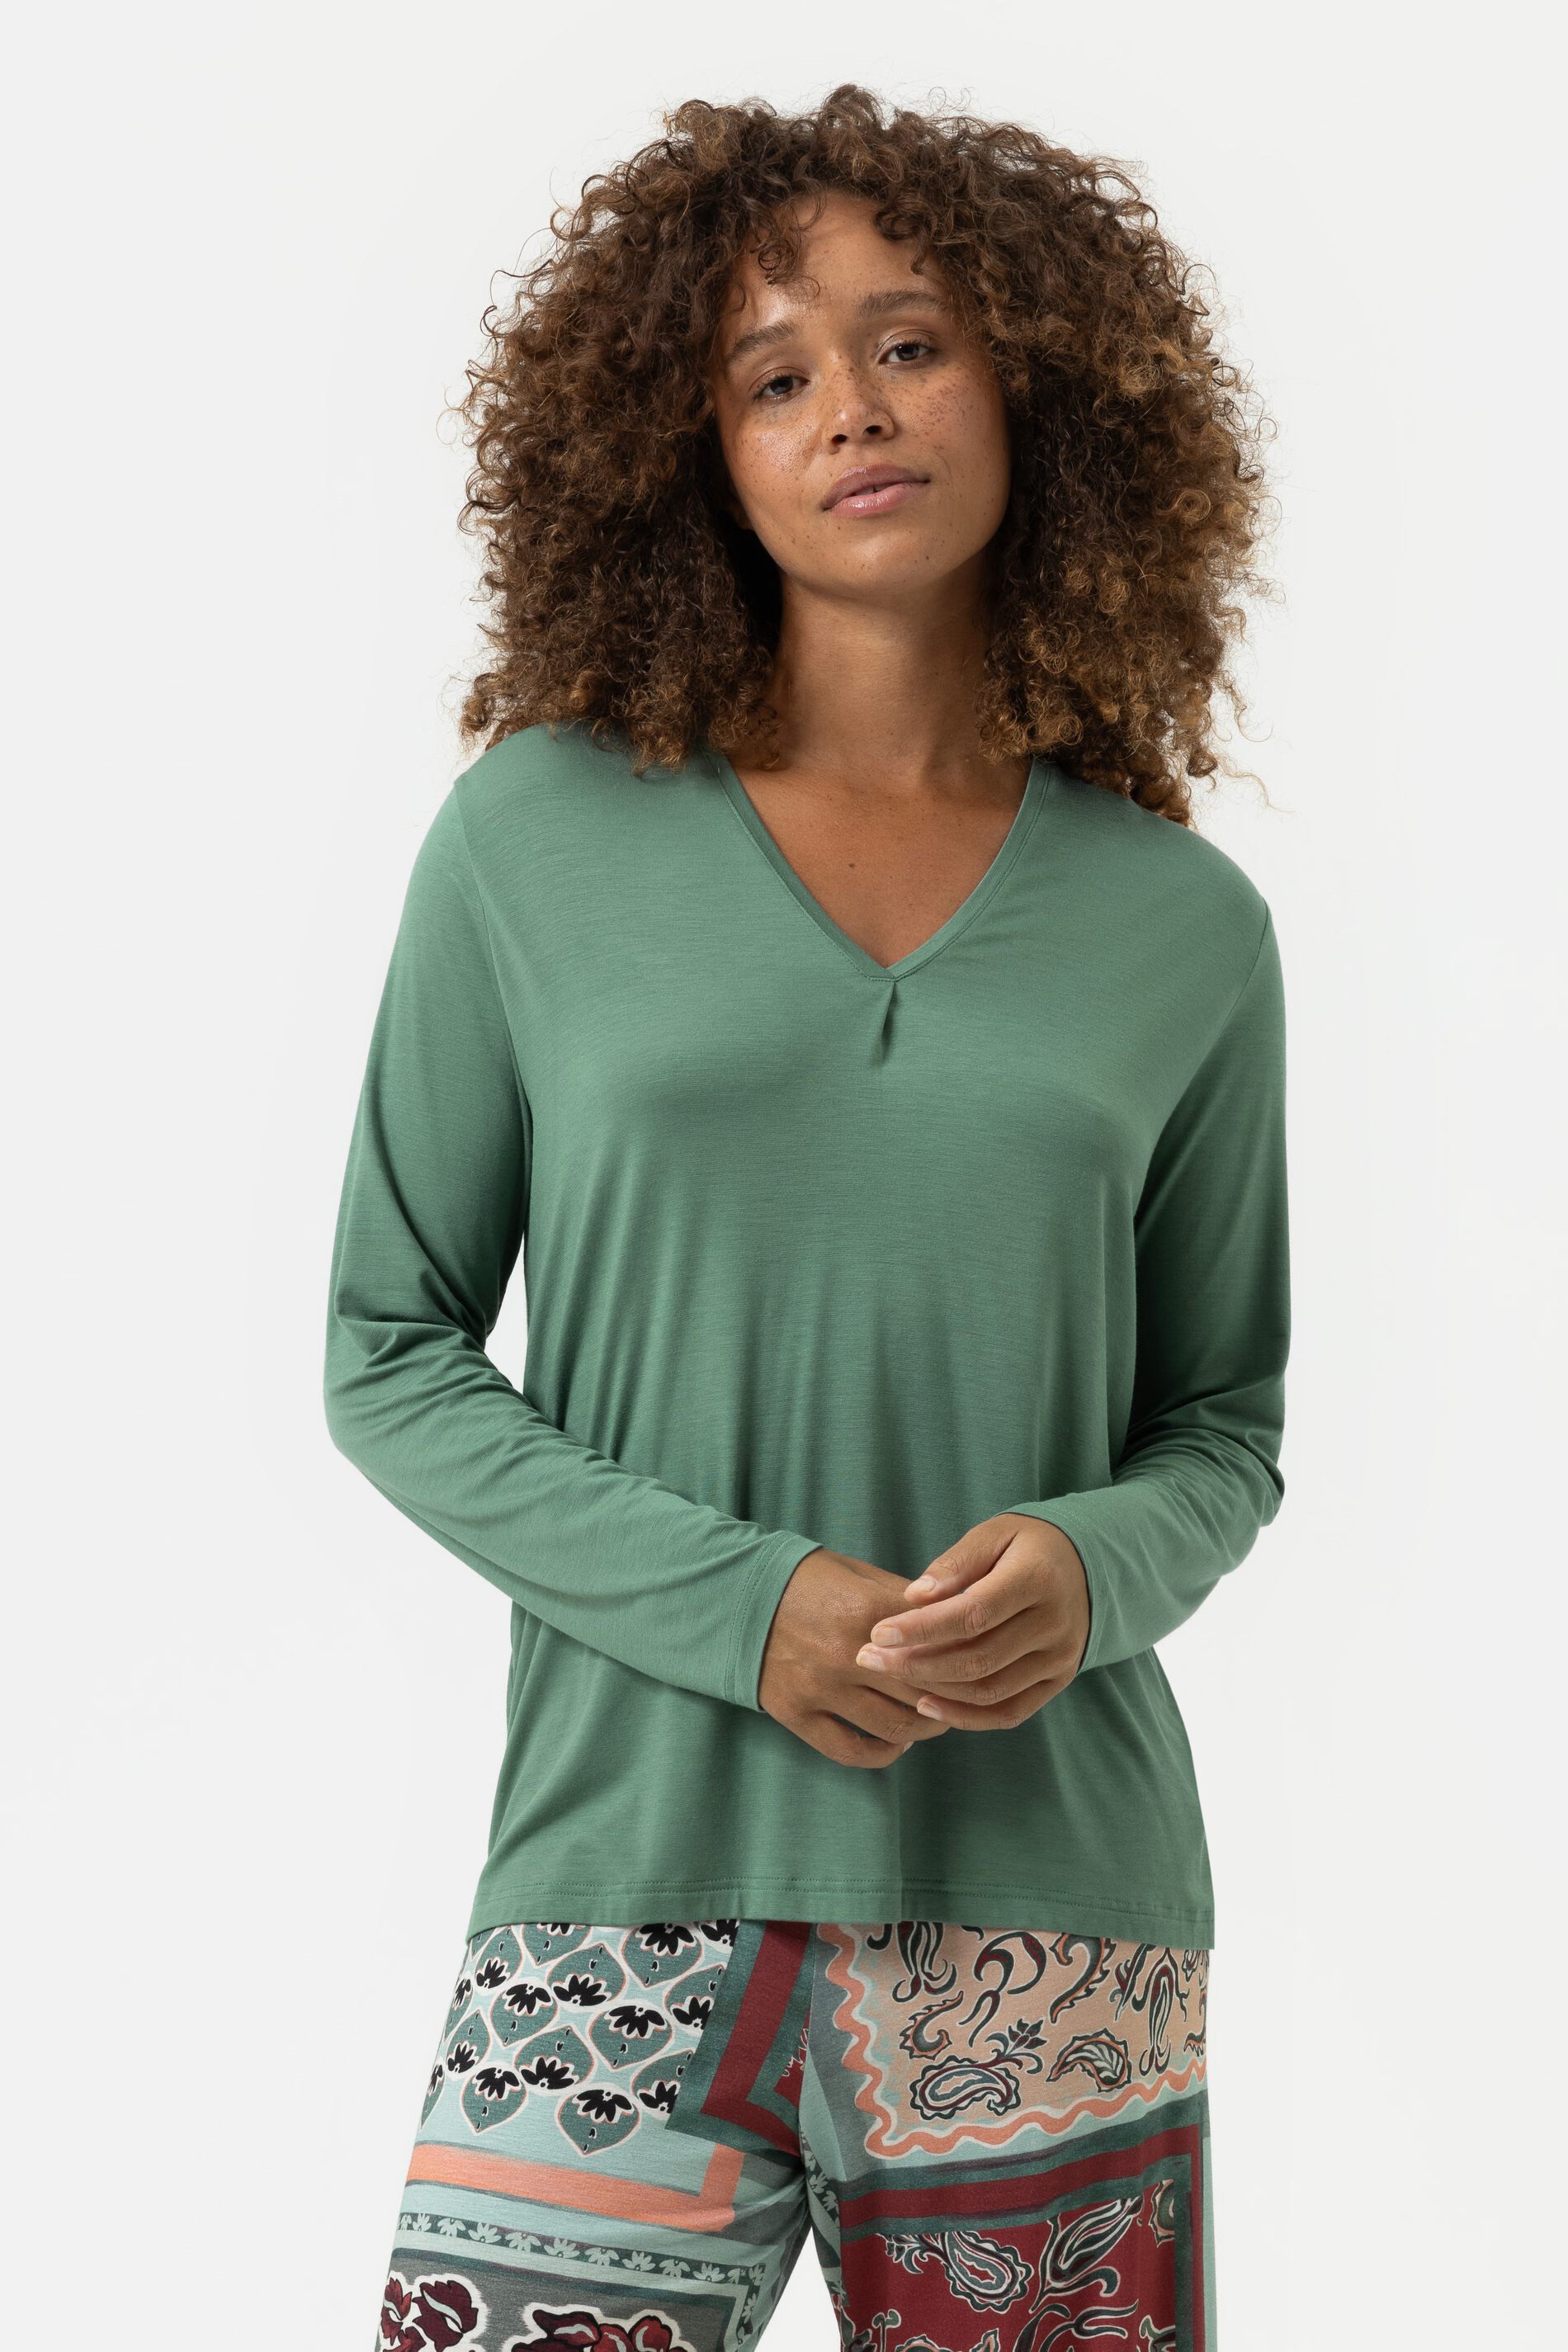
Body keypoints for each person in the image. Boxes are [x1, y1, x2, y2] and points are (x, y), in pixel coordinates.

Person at [325, 83, 1288, 2352]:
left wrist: (1088, 1565)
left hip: (1053, 1920)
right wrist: (744, 1608)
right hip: (617, 1884)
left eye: (908, 343)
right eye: (772, 374)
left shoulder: (1184, 926)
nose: (849, 406)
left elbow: (1223, 1421)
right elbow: (388, 1349)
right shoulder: (534, 838)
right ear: (696, 456)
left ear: (1038, 388)